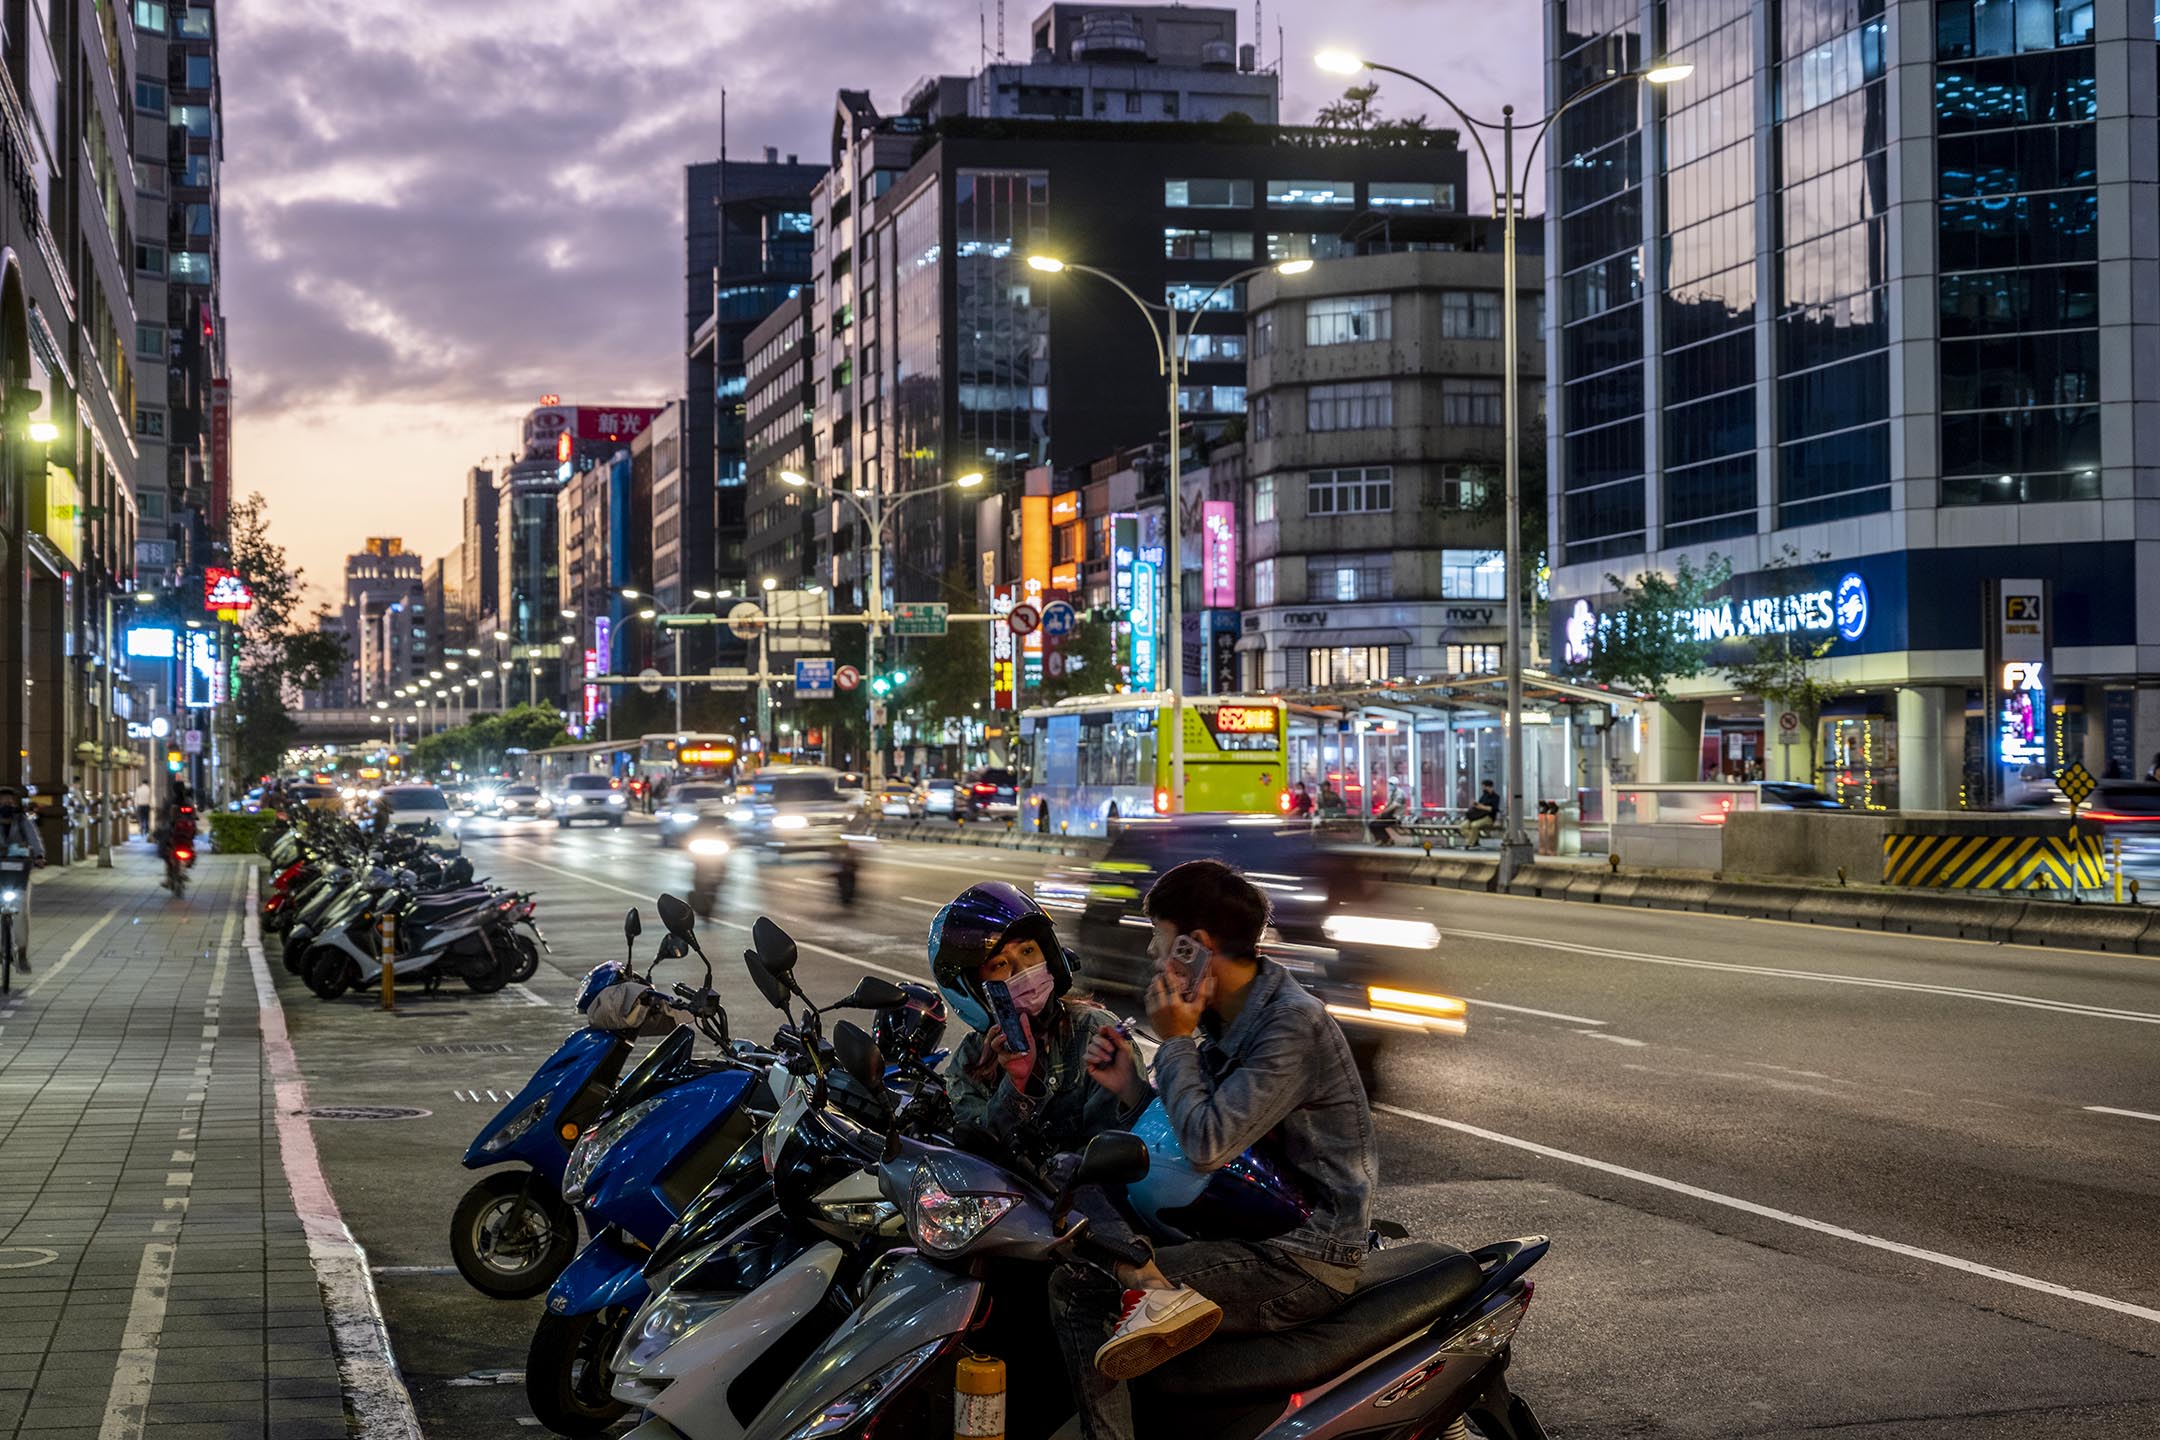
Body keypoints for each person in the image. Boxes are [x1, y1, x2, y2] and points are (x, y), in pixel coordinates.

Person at [1054, 860, 1376, 1438]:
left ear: (1192, 947)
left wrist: (1175, 1040)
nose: (1155, 961)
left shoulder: (1290, 1025)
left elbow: (1207, 1145)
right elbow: (1190, 1137)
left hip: (1302, 1256)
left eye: (1159, 944)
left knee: (1082, 1288)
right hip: (1240, 1225)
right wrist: (1131, 1089)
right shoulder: (1231, 1016)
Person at [930, 882, 1129, 1153]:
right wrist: (1016, 1085)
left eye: (1028, 951)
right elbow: (979, 1156)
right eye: (1000, 964)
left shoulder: (1095, 1035)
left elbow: (1119, 1152)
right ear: (974, 990)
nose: (1023, 970)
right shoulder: (969, 1062)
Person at [0, 786, 47, 970]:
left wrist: (39, 856)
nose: (6, 804)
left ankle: (22, 952)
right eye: (3, 801)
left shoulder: (22, 820)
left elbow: (34, 839)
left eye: (10, 802)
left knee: (21, 913)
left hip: (18, 873)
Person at [1459, 780, 1501, 849]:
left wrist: (1480, 806)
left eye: (1484, 787)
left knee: (1474, 825)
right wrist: (1475, 804)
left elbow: (1492, 809)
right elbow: (1479, 805)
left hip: (1488, 817)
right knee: (1462, 826)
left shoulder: (1496, 797)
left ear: (1489, 787)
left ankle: (1470, 844)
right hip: (1478, 816)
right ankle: (1475, 840)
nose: (1483, 788)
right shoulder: (1484, 796)